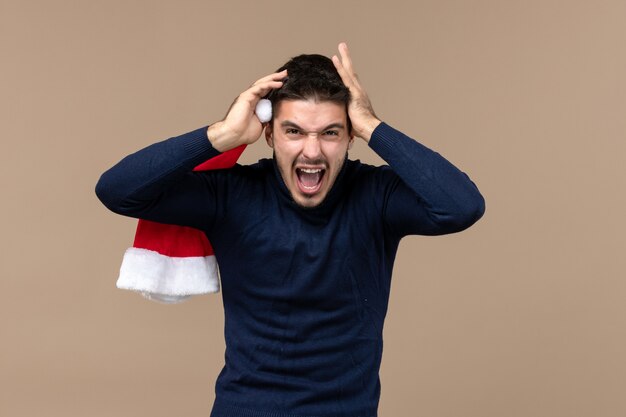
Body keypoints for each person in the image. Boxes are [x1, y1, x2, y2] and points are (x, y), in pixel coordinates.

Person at [96, 43, 485, 417]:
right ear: (269, 134)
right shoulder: (232, 194)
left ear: (350, 136)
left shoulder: (376, 196)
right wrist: (222, 135)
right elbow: (117, 191)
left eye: (331, 133)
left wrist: (373, 125)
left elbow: (461, 206)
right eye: (294, 131)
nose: (312, 152)